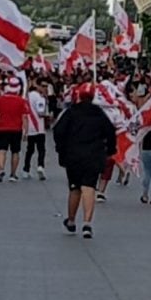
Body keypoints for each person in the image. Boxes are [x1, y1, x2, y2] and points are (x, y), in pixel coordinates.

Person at [53, 82, 116, 239]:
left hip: (73, 155)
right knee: (89, 187)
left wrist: (61, 149)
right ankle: (87, 223)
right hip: (94, 155)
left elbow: (58, 131)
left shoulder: (71, 112)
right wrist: (110, 150)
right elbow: (111, 132)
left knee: (75, 188)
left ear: (79, 95)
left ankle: (72, 220)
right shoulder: (99, 113)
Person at [0, 77, 29, 183]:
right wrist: (25, 131)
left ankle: (1, 169)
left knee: (2, 150)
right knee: (15, 151)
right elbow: (25, 117)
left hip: (3, 127)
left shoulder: (0, 100)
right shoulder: (21, 101)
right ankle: (13, 174)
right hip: (16, 129)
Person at [23, 79, 49, 181]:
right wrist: (47, 115)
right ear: (37, 86)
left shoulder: (28, 96)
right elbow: (40, 112)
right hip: (39, 127)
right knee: (41, 149)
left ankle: (26, 169)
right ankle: (40, 166)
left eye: (46, 86)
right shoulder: (40, 98)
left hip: (30, 127)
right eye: (43, 86)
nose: (45, 88)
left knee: (30, 150)